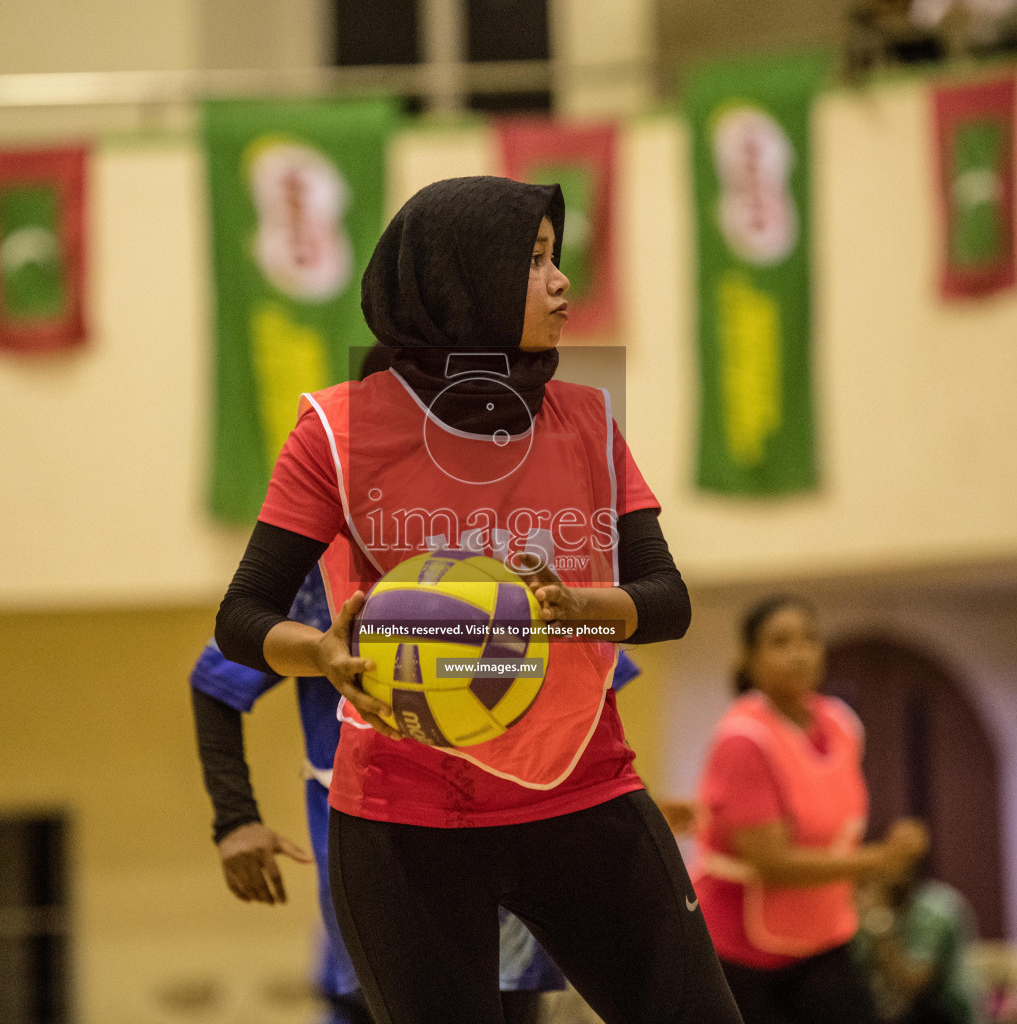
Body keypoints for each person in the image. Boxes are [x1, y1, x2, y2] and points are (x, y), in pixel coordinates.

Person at [215, 176, 742, 1024]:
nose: (564, 281)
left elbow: (666, 602)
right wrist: (318, 652)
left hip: (584, 792)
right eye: (535, 262)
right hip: (400, 816)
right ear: (466, 279)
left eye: (556, 258)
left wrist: (576, 607)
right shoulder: (335, 430)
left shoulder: (587, 419)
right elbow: (242, 617)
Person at [192, 563, 646, 1024]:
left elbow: (590, 667)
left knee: (511, 1003)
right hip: (385, 844)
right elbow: (215, 680)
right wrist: (235, 819)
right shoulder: (326, 571)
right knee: (386, 1001)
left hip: (515, 838)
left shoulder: (511, 561)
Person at [692, 594, 928, 1024]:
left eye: (808, 639)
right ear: (750, 658)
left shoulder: (840, 723)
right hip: (745, 950)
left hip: (824, 933)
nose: (798, 653)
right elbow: (772, 862)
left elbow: (835, 829)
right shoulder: (743, 740)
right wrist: (879, 860)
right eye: (780, 643)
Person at [854, 859, 987, 1024]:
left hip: (945, 1013)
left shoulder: (934, 910)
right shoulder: (869, 907)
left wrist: (879, 924)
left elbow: (914, 984)